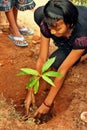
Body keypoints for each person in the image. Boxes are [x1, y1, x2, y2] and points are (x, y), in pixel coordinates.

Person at [24, 0, 87, 117]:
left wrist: (47, 104)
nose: (52, 31)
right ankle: (65, 42)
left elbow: (62, 71)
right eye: (50, 27)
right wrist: (30, 90)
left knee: (57, 62)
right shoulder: (48, 22)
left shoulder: (81, 35)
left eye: (57, 28)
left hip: (82, 38)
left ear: (70, 24)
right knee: (38, 13)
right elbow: (42, 59)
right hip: (70, 32)